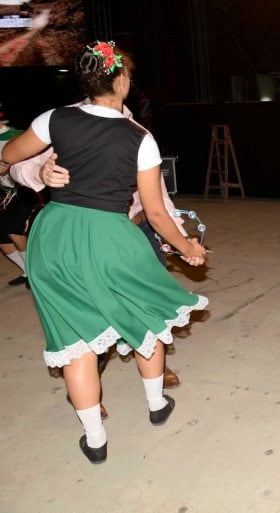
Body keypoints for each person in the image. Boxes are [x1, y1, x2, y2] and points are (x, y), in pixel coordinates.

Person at [0, 40, 208, 464]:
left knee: (75, 340)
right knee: (145, 316)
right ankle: (156, 406)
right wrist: (188, 246)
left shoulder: (53, 119)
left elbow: (6, 155)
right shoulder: (139, 137)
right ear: (121, 80)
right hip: (110, 235)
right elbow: (154, 210)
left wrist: (40, 164)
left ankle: (95, 440)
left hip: (54, 235)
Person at [10, 101, 185, 414]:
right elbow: (15, 163)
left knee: (148, 308)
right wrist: (41, 170)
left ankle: (139, 386)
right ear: (119, 79)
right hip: (89, 234)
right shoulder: (65, 118)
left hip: (136, 229)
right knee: (87, 324)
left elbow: (158, 198)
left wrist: (176, 236)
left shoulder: (136, 129)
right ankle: (92, 390)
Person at [0, 116, 34, 288]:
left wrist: (10, 167)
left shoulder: (18, 136)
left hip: (19, 192)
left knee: (15, 232)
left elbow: (34, 161)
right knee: (2, 240)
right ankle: (27, 271)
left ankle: (35, 273)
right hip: (1, 194)